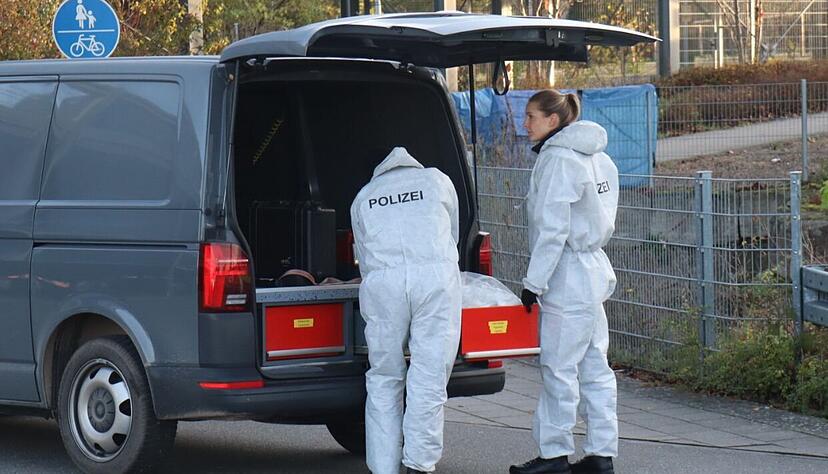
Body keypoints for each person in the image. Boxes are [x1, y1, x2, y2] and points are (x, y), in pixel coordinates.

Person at [510, 90, 619, 474]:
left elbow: (552, 230)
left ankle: (554, 455)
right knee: (595, 368)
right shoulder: (598, 158)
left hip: (567, 274)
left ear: (553, 121)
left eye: (531, 116)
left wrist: (533, 282)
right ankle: (601, 454)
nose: (525, 124)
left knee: (558, 367)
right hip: (594, 271)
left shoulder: (557, 160)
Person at [350, 147, 462, 474]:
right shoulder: (437, 181)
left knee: (384, 377)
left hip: (384, 283)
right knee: (428, 376)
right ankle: (419, 464)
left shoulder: (364, 196)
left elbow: (363, 251)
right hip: (435, 278)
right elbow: (451, 233)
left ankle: (383, 468)